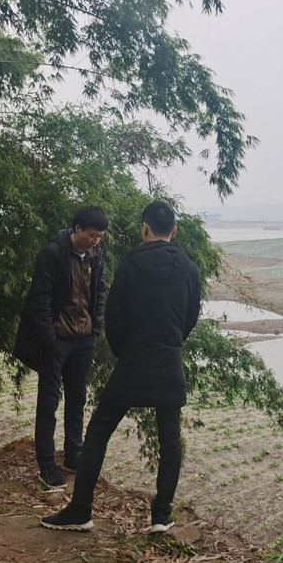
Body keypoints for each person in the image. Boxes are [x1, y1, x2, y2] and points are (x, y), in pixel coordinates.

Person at [41, 199, 201, 534]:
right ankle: (161, 515)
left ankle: (81, 509)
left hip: (133, 361)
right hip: (169, 360)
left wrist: (123, 353)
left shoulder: (130, 264)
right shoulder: (188, 267)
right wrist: (172, 342)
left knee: (99, 431)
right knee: (170, 439)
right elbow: (191, 316)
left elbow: (114, 316)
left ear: (144, 228)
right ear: (173, 231)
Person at [15, 205, 108, 491]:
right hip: (57, 341)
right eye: (92, 235)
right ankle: (46, 464)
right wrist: (49, 338)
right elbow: (39, 298)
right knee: (49, 403)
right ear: (77, 229)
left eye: (100, 237)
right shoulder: (53, 254)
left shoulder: (96, 256)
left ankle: (73, 454)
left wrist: (96, 326)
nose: (95, 241)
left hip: (84, 341)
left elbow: (99, 292)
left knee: (78, 399)